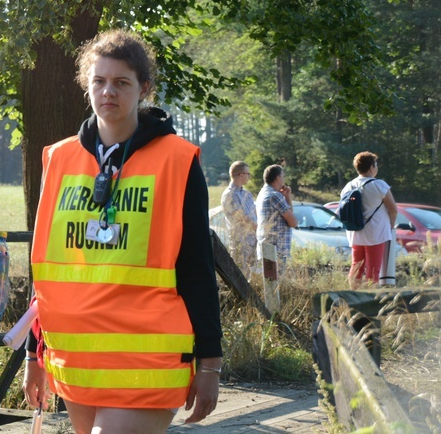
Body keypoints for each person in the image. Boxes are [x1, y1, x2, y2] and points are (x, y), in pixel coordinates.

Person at [22, 30, 223, 433]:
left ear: (144, 88)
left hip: (147, 360)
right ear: (86, 85)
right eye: (98, 81)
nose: (108, 91)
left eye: (121, 82)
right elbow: (46, 269)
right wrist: (33, 355)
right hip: (77, 358)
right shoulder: (60, 159)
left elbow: (198, 267)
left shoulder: (177, 161)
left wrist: (210, 364)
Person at [342, 152, 397, 288]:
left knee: (356, 266)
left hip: (355, 232)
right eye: (376, 164)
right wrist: (391, 224)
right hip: (375, 233)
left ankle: (353, 295)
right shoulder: (379, 185)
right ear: (372, 167)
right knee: (373, 269)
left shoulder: (348, 186)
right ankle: (371, 298)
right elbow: (393, 208)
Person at [255, 164, 298, 275]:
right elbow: (293, 222)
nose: (283, 180)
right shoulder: (274, 195)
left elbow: (290, 216)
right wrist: (286, 198)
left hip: (267, 247)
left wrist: (287, 197)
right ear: (277, 178)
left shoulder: (263, 193)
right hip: (276, 249)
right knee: (274, 287)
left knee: (269, 284)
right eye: (282, 177)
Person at [221, 161, 257, 278]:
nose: (249, 176)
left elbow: (254, 214)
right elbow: (241, 218)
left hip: (253, 241)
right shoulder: (229, 195)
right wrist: (258, 228)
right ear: (241, 175)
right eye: (248, 174)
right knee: (241, 277)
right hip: (241, 244)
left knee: (254, 277)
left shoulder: (247, 194)